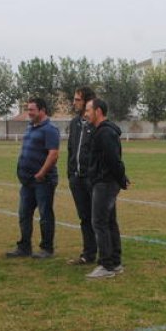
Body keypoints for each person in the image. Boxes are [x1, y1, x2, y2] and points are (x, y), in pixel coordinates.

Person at [7, 97, 61, 259]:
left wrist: (41, 173)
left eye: (31, 110)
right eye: (28, 109)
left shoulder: (50, 129)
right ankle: (24, 247)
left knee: (45, 214)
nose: (28, 113)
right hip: (27, 181)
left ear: (42, 110)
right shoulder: (30, 126)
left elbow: (53, 154)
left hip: (43, 181)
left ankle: (47, 248)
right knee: (24, 214)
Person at [85, 97, 130, 279]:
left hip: (105, 183)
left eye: (88, 110)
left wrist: (121, 179)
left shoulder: (105, 133)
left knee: (100, 223)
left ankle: (106, 265)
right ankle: (115, 262)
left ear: (98, 112)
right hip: (104, 182)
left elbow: (114, 160)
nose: (86, 114)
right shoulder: (100, 132)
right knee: (109, 222)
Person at [65, 86, 98, 265]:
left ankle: (109, 255)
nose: (74, 103)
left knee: (99, 218)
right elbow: (71, 149)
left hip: (91, 178)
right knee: (84, 217)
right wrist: (70, 174)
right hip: (76, 178)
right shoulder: (74, 123)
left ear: (86, 102)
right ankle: (89, 253)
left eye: (77, 100)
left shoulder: (96, 124)